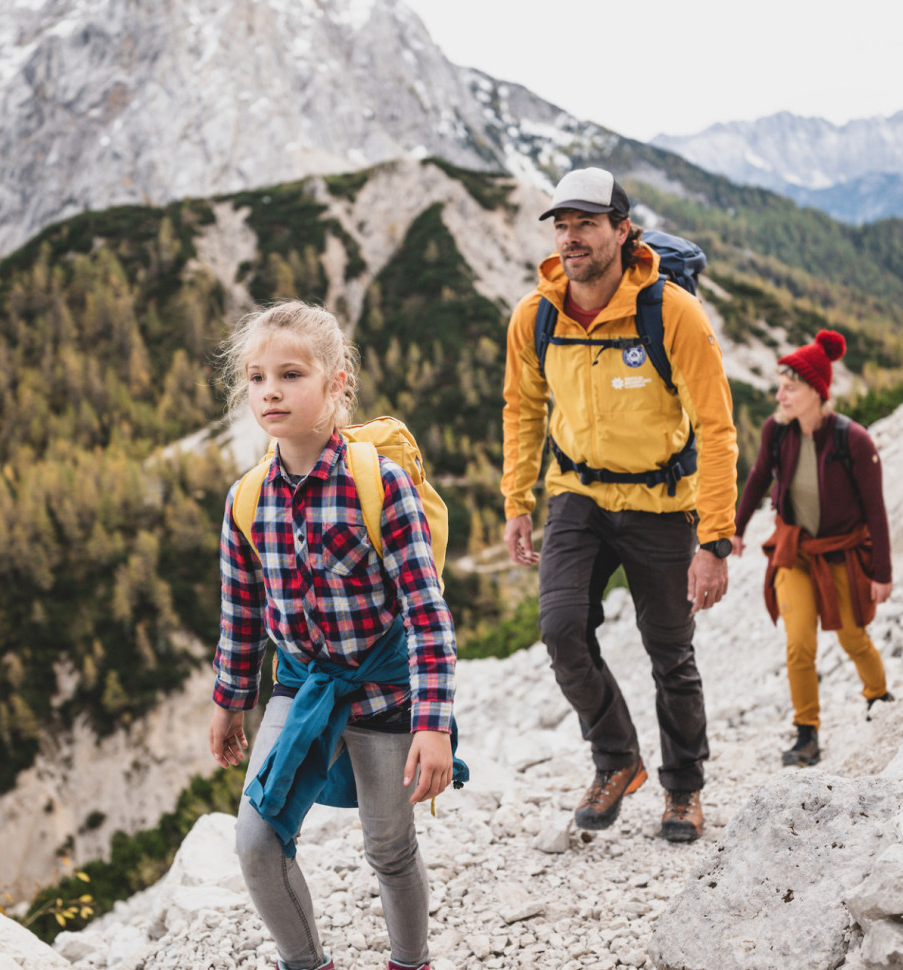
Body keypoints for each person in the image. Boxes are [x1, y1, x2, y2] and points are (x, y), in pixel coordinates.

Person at [208, 301, 455, 970]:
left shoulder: (382, 486)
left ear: (337, 382)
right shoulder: (246, 499)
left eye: (291, 374)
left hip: (383, 696)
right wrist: (231, 700)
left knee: (389, 850)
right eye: (257, 377)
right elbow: (241, 614)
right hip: (301, 688)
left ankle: (410, 963)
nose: (270, 392)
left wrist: (432, 723)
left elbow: (426, 615)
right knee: (258, 842)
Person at [501, 167, 739, 843]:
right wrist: (517, 500)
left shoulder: (671, 312)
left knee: (669, 650)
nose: (571, 238)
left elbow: (718, 429)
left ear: (621, 230)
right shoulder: (537, 314)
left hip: (662, 504)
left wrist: (714, 540)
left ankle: (684, 788)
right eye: (562, 225)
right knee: (560, 628)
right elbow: (523, 408)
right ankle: (617, 759)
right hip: (576, 496)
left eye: (587, 224)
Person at [732, 330, 894, 767]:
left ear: (816, 392)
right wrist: (736, 529)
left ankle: (879, 698)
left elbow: (875, 510)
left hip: (841, 552)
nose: (780, 395)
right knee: (798, 643)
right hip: (795, 552)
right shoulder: (776, 432)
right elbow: (758, 478)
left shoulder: (853, 441)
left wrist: (882, 573)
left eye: (791, 387)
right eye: (780, 386)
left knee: (853, 637)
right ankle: (807, 734)